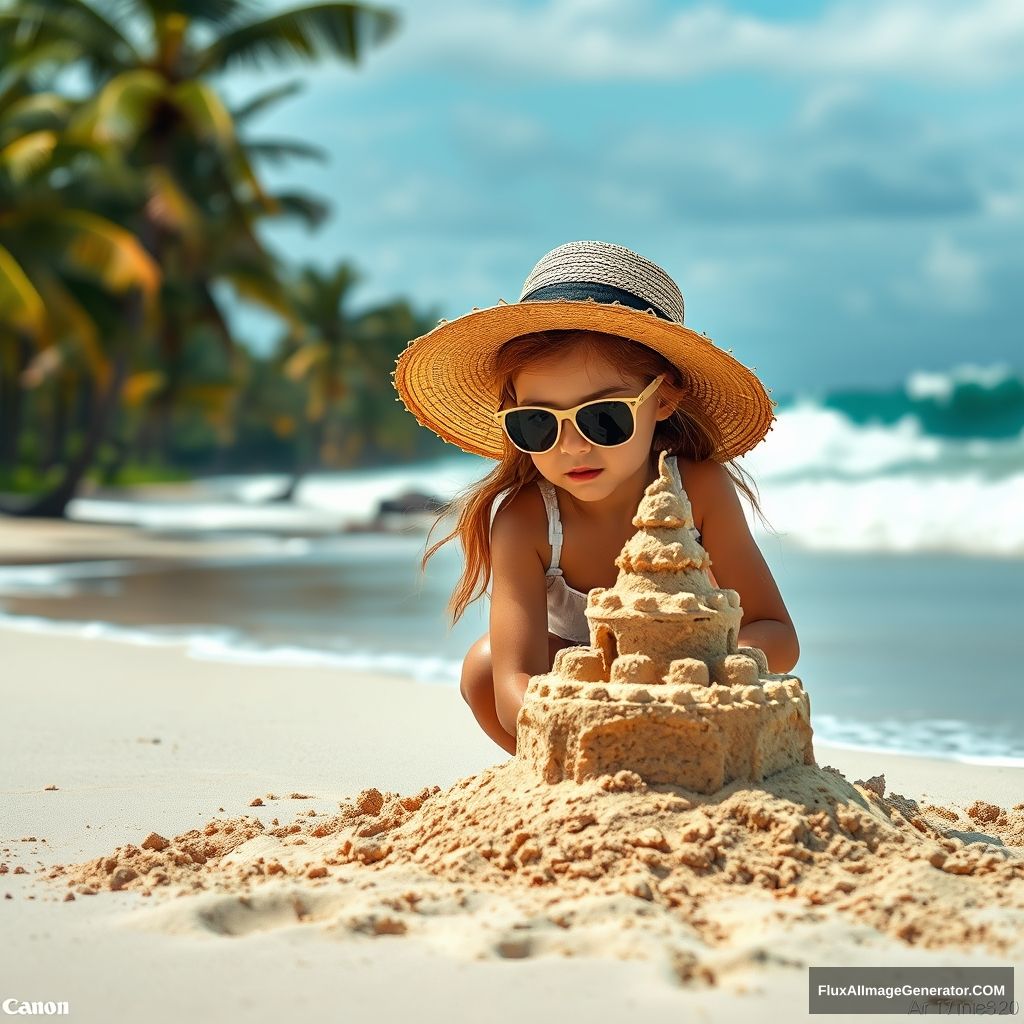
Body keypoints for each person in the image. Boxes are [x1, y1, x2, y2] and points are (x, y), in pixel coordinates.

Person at [392, 239, 799, 756]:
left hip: (691, 689)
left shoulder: (697, 488)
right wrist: (602, 708)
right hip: (580, 711)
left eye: (604, 417)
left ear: (665, 399)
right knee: (482, 667)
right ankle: (559, 780)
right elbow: (512, 682)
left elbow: (778, 635)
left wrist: (685, 669)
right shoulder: (526, 519)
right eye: (539, 423)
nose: (572, 446)